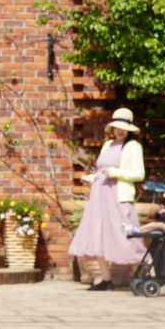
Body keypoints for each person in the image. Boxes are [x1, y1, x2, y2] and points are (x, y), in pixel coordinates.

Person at [68, 107, 146, 291]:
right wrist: (92, 177)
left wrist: (117, 173)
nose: (118, 131)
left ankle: (149, 273)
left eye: (122, 128)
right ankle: (105, 278)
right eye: (116, 127)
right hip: (100, 196)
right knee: (99, 235)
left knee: (127, 234)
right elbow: (102, 171)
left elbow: (139, 174)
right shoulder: (108, 145)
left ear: (128, 129)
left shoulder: (133, 147)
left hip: (118, 197)